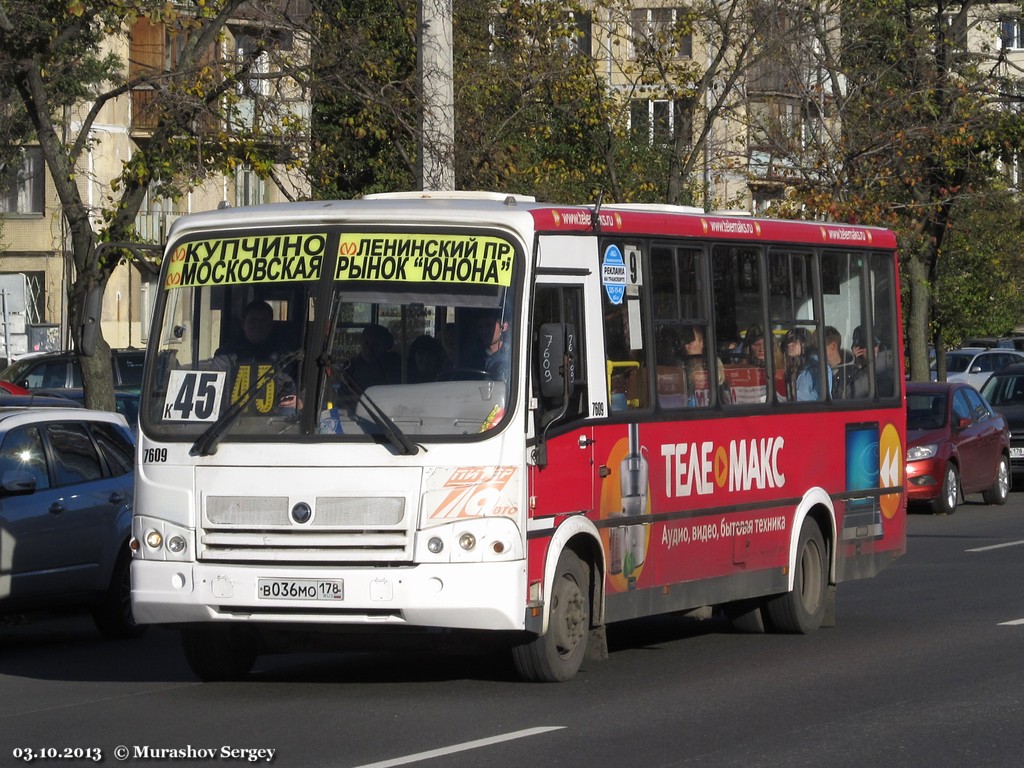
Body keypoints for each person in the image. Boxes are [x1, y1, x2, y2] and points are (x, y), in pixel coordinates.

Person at [347, 324, 402, 391]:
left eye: (375, 344)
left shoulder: (395, 364)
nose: (369, 348)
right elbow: (343, 397)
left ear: (385, 346)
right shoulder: (350, 367)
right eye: (366, 342)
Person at [824, 326, 857, 400]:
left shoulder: (853, 373)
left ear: (833, 346)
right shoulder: (817, 371)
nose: (816, 351)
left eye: (820, 347)